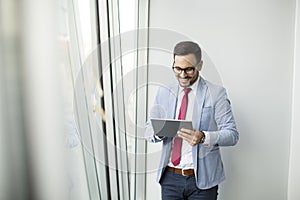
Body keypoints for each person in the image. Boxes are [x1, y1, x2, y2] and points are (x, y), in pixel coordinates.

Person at [145, 41, 239, 200]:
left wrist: (203, 137)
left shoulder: (216, 94)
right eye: (177, 68)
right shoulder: (164, 92)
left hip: (202, 182)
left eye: (188, 69)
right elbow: (148, 130)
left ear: (200, 65)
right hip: (170, 179)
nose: (182, 74)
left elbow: (232, 135)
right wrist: (161, 132)